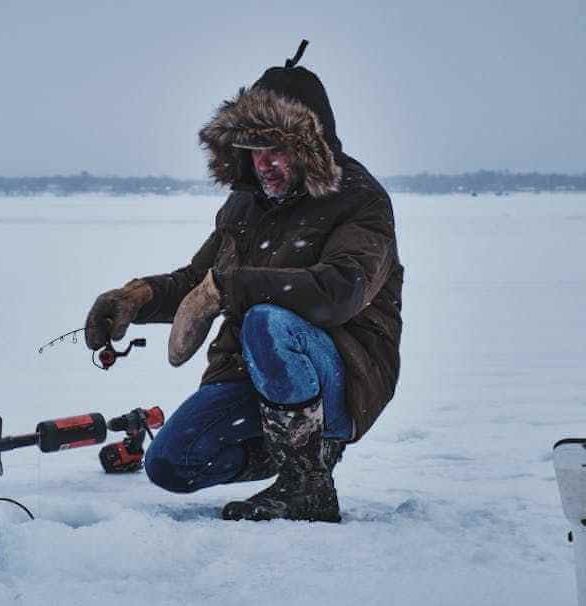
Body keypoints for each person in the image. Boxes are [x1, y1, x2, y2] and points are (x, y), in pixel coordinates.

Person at [85, 41, 403, 522]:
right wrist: (137, 298)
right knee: (171, 463)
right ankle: (293, 448)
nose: (264, 164)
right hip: (251, 376)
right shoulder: (245, 205)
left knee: (266, 321)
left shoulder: (359, 200)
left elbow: (340, 290)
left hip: (342, 373)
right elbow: (201, 279)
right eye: (254, 151)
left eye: (278, 149)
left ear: (309, 147)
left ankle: (307, 486)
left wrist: (231, 290)